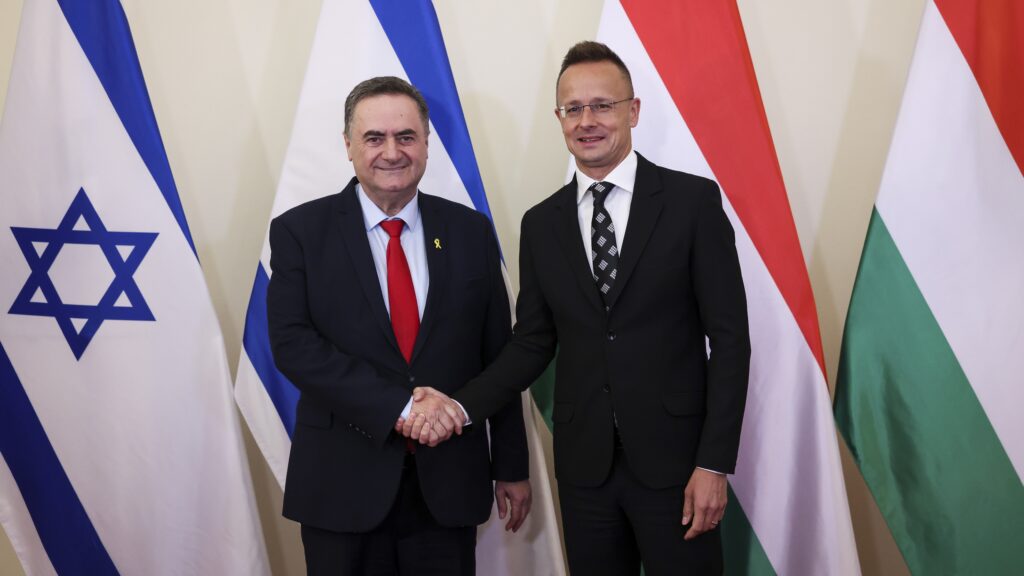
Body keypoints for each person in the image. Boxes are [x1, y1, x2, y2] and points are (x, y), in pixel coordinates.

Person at [401, 42, 750, 575]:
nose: (587, 121)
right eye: (573, 109)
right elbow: (533, 342)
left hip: (678, 466)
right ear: (559, 118)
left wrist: (714, 463)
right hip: (587, 472)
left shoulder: (692, 203)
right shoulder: (542, 224)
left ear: (632, 111)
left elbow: (730, 340)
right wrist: (461, 405)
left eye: (602, 106)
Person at [267, 76, 531, 576]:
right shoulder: (300, 232)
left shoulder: (470, 231)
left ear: (427, 144)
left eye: (406, 137)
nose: (392, 151)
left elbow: (499, 355)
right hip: (341, 487)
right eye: (374, 137)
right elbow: (293, 346)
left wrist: (512, 466)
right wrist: (401, 406)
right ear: (348, 146)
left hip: (448, 485)